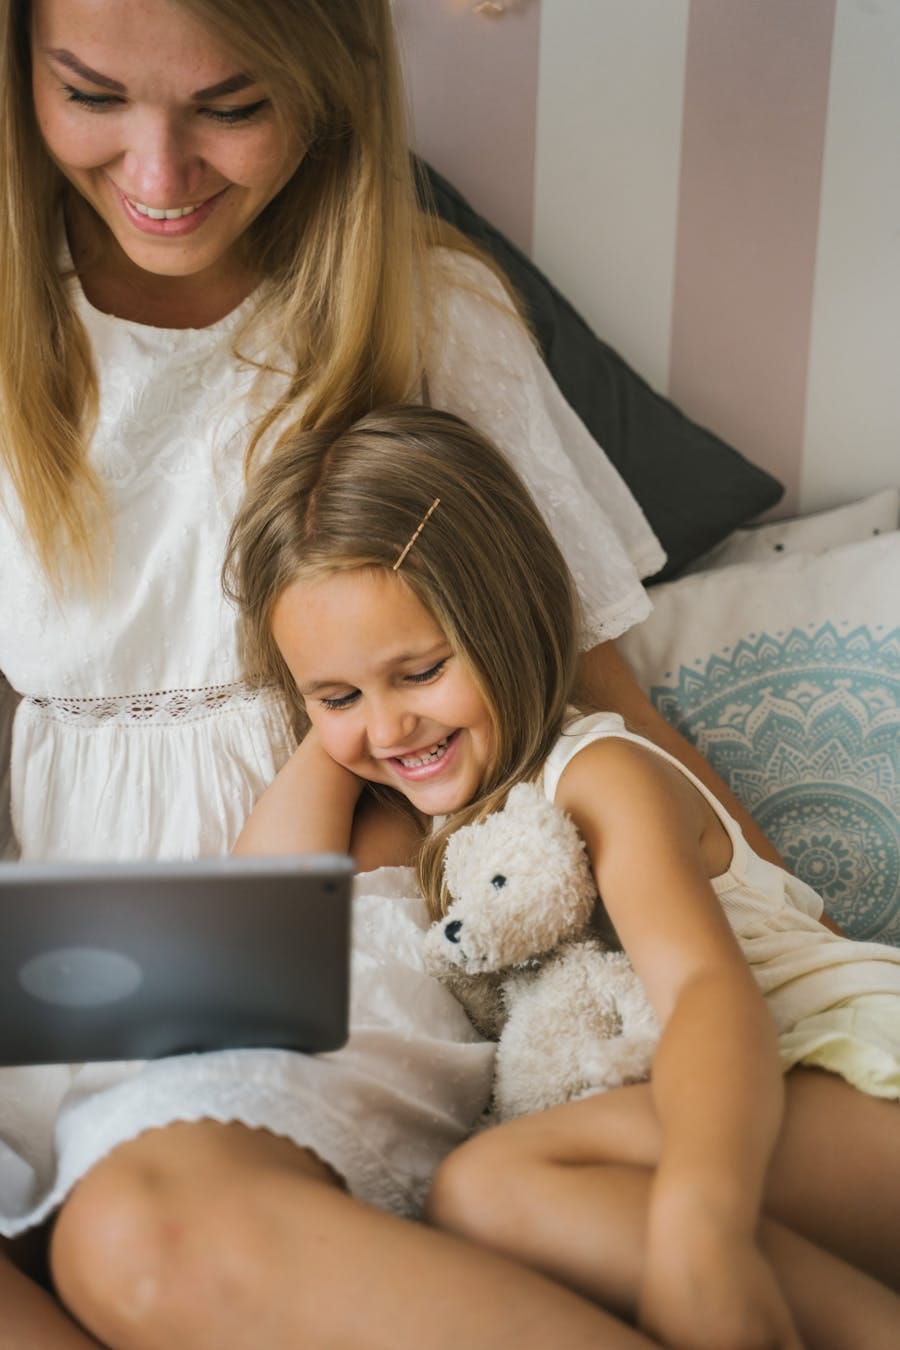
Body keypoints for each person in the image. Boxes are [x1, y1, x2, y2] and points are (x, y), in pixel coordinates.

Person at [226, 405, 900, 1350]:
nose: (386, 730)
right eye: (337, 696)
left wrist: (697, 1224)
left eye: (419, 672)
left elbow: (710, 995)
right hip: (762, 1118)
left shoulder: (598, 773)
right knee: (493, 1194)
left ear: (508, 621)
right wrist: (344, 722)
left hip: (848, 1072)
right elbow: (270, 904)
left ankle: (716, 1258)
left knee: (486, 1186)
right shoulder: (441, 831)